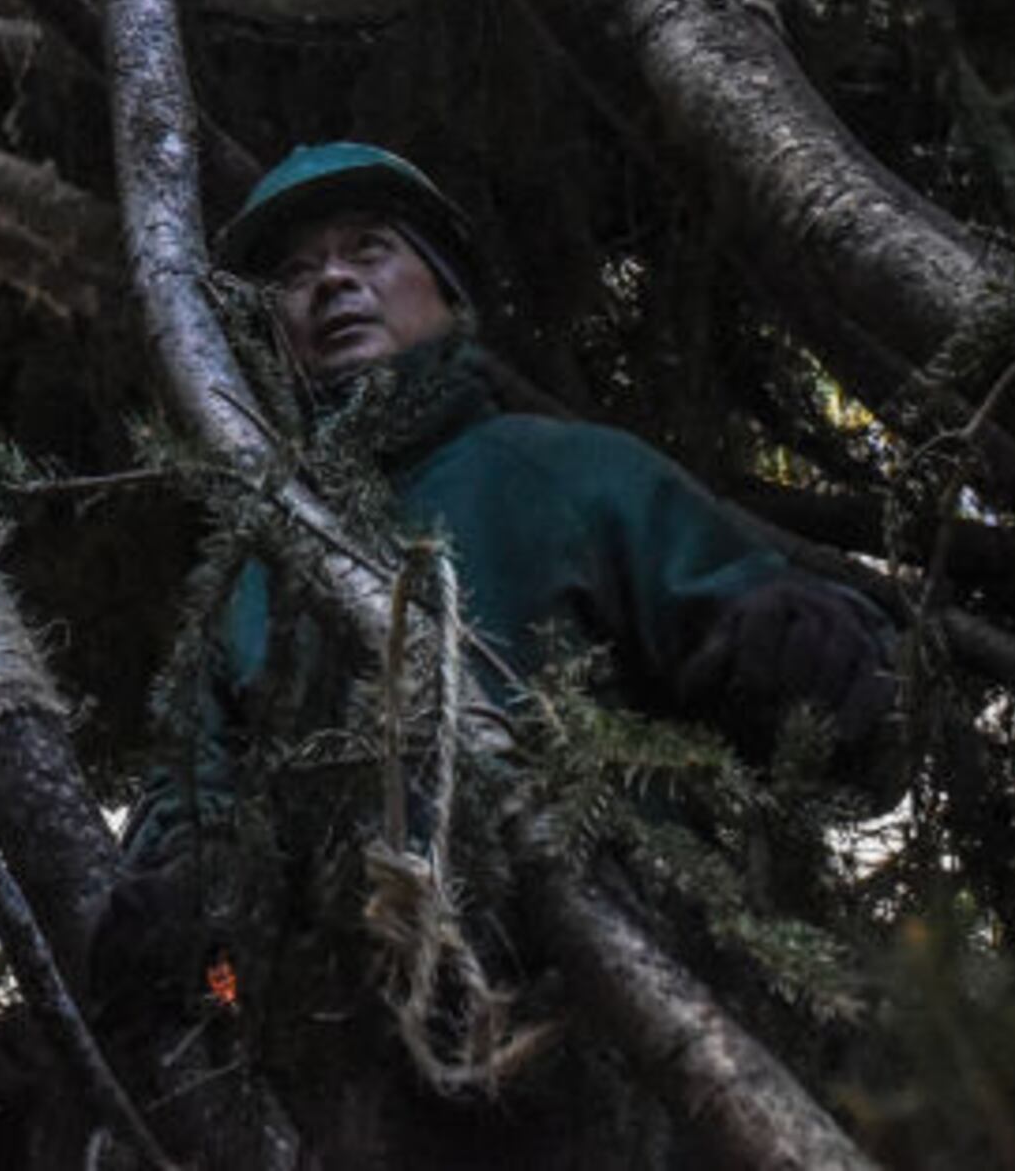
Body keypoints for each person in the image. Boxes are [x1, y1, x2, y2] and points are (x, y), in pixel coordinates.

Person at [97, 141, 899, 1160]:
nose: (331, 282)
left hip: (620, 1026)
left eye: (368, 250)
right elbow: (189, 792)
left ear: (445, 286)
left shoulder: (573, 474)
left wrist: (812, 650)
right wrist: (179, 905)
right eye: (295, 275)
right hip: (345, 1076)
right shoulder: (252, 572)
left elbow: (812, 687)